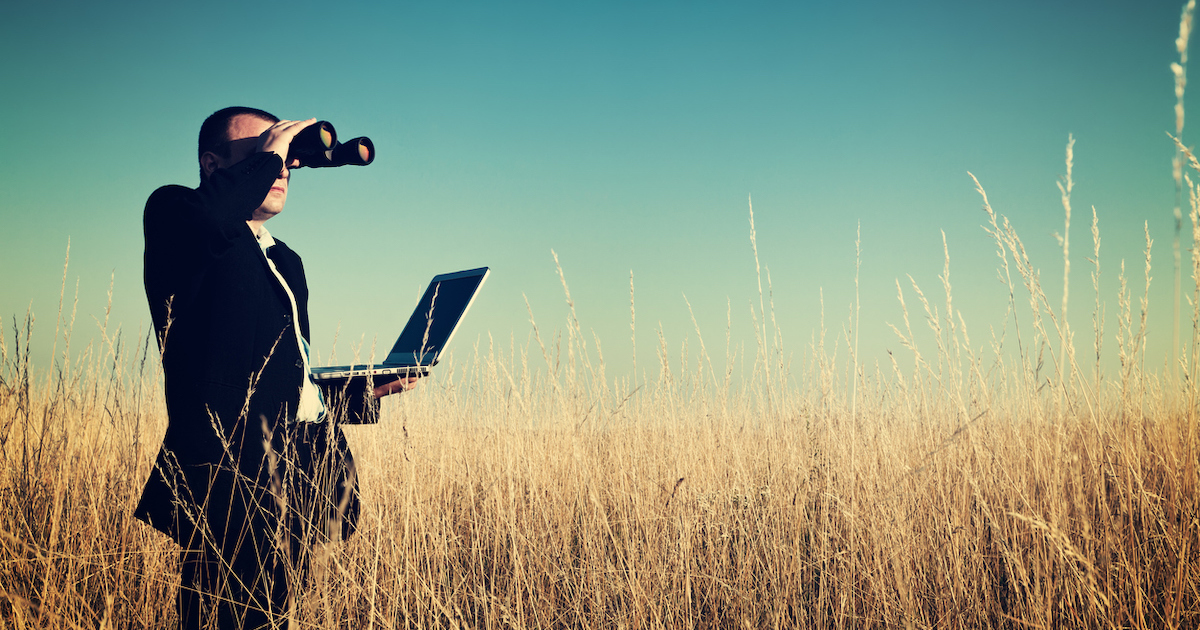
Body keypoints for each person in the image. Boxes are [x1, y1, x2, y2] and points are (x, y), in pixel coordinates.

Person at [135, 106, 413, 629]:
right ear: (213, 164)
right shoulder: (175, 212)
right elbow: (216, 223)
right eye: (264, 154)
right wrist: (270, 155)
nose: (282, 167)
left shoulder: (286, 261)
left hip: (293, 476)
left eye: (287, 159)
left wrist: (360, 394)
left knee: (273, 616)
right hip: (228, 478)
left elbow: (282, 376)